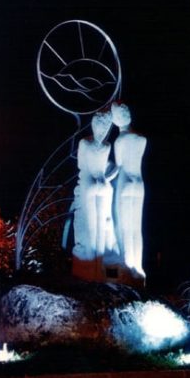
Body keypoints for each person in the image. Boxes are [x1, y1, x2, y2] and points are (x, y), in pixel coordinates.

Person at [72, 111, 116, 264]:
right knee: (103, 221)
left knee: (89, 224)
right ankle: (101, 258)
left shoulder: (84, 143)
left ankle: (90, 261)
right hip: (103, 183)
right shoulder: (107, 145)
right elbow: (104, 168)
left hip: (89, 182)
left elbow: (81, 165)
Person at [111, 102, 146, 278]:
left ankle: (127, 265)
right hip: (138, 183)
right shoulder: (141, 138)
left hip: (124, 182)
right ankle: (138, 267)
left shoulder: (120, 140)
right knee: (136, 229)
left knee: (124, 226)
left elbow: (118, 166)